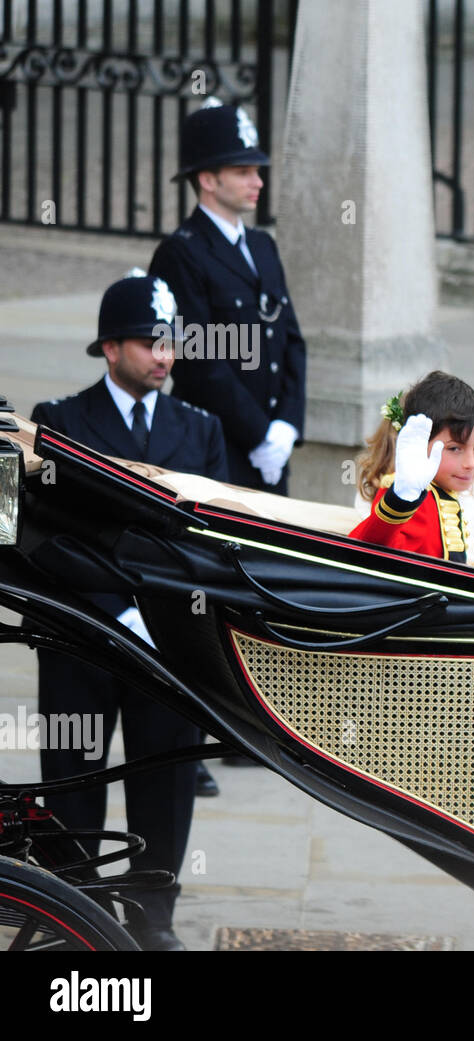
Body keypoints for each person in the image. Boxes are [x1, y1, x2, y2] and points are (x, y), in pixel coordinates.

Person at [30, 274, 228, 951]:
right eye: (149, 342)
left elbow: (208, 544)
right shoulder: (60, 421)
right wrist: (119, 607)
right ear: (110, 348)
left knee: (166, 778)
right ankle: (70, 910)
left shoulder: (199, 430)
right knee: (74, 779)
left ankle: (154, 913)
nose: (164, 356)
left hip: (168, 640)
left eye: (171, 342)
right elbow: (47, 537)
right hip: (79, 636)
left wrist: (158, 613)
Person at [148, 99, 306, 494]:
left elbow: (291, 340)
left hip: (273, 450)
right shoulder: (181, 253)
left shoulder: (262, 245)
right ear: (207, 179)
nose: (258, 182)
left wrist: (287, 426)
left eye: (257, 171)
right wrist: (259, 437)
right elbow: (196, 361)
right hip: (216, 450)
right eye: (242, 172)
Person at [351, 372, 474, 562]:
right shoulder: (406, 493)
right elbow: (370, 552)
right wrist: (402, 498)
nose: (470, 464)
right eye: (454, 448)